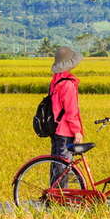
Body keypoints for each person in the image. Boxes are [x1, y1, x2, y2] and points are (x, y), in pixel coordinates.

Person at [48, 46, 84, 186]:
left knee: (57, 166)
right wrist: (77, 131)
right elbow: (71, 111)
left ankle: (54, 196)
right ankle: (61, 198)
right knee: (63, 167)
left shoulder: (55, 81)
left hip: (56, 130)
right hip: (65, 131)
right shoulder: (67, 84)